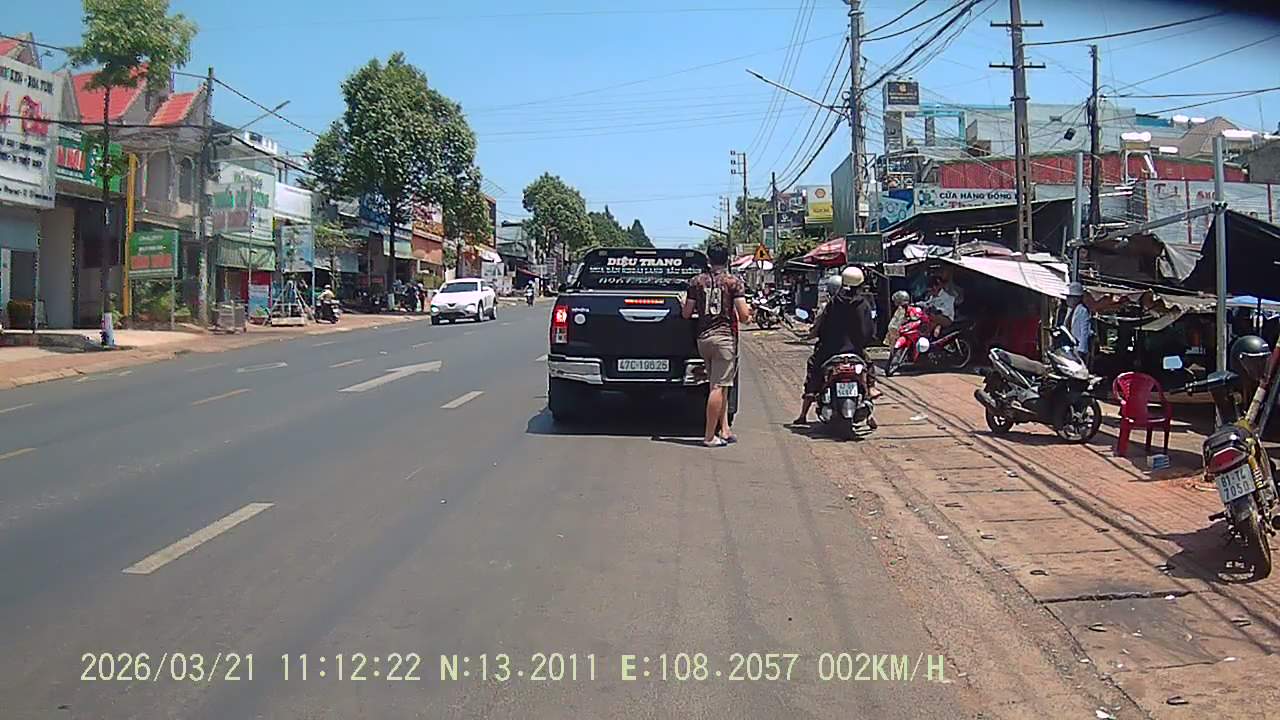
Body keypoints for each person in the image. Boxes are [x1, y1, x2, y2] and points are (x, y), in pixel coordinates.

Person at [682, 243, 752, 448]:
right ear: (727, 259)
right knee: (718, 386)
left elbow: (686, 313)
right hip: (724, 339)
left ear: (708, 259)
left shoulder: (696, 282)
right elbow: (743, 315)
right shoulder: (734, 282)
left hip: (703, 339)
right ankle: (709, 436)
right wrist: (749, 315)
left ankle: (724, 428)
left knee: (722, 384)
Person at [794, 266, 876, 425]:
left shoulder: (833, 303)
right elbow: (869, 331)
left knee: (813, 369)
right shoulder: (863, 304)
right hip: (855, 351)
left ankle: (804, 413)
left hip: (830, 350)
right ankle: (870, 393)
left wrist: (818, 337)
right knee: (868, 368)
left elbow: (822, 327)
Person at [1065, 282, 1093, 365]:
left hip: (1077, 348)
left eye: (1069, 297)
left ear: (1076, 298)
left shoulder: (1083, 311)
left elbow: (1085, 332)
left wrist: (1081, 350)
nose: (1067, 299)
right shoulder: (1070, 310)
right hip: (1068, 347)